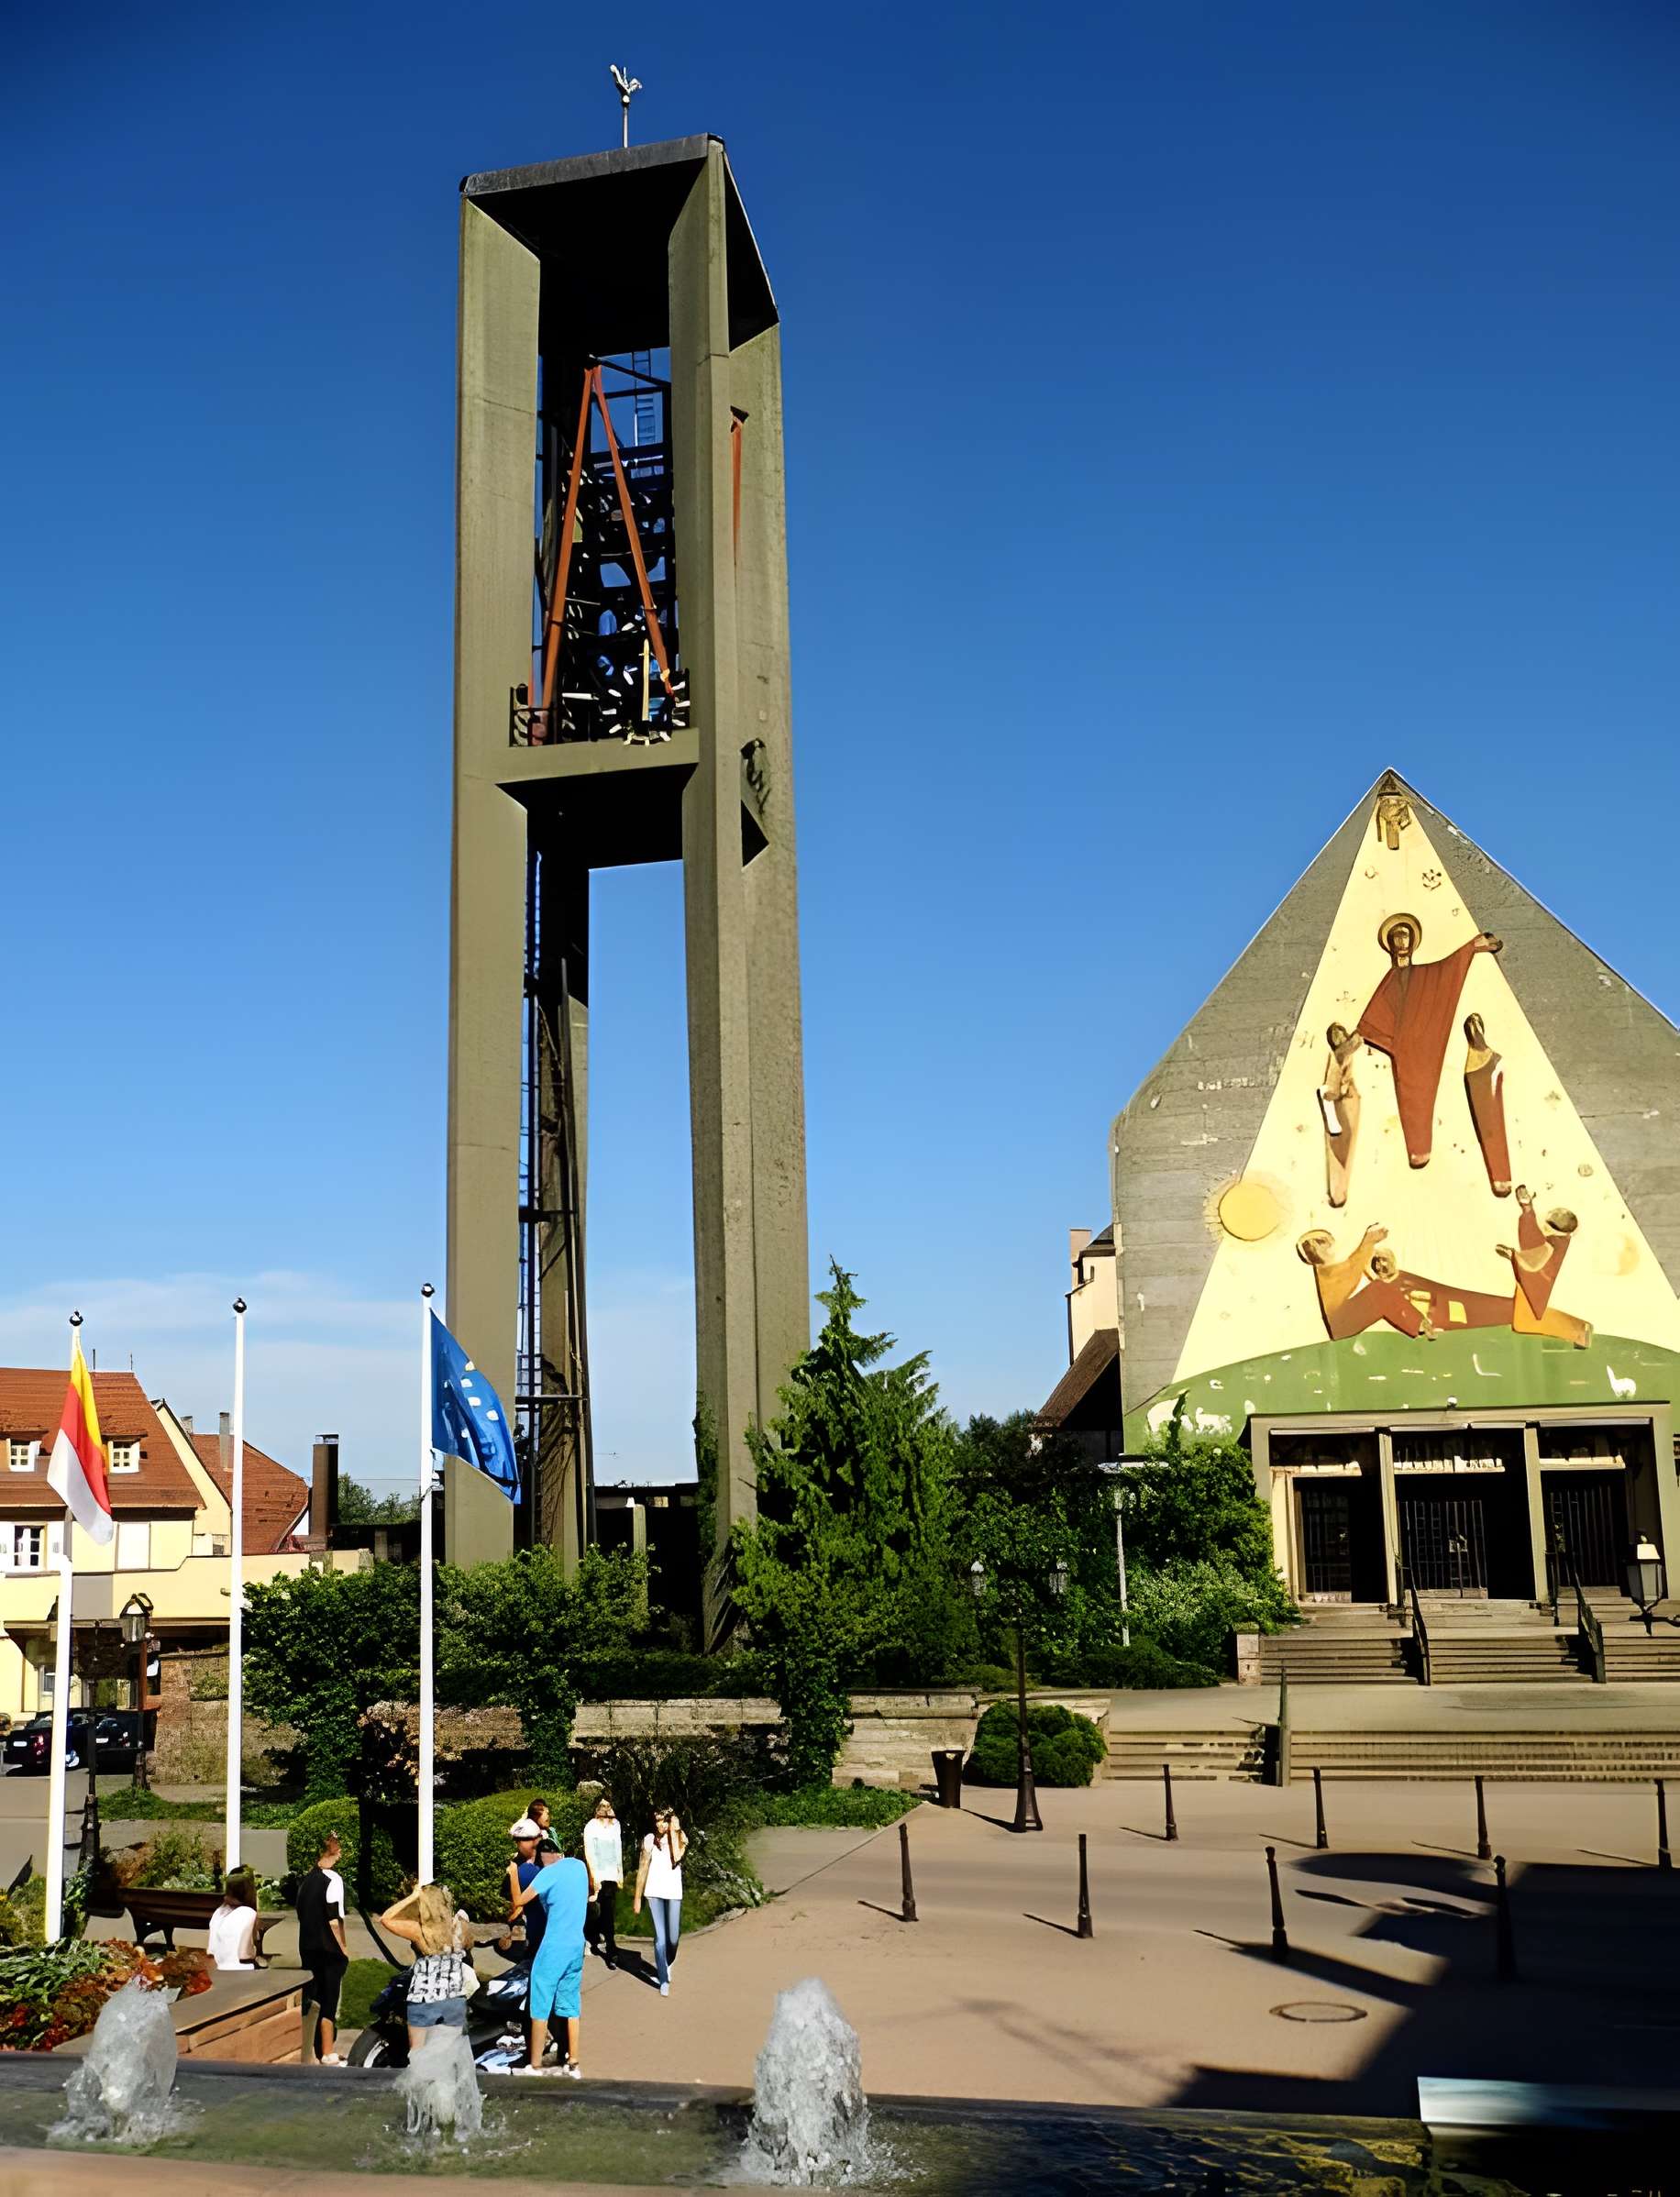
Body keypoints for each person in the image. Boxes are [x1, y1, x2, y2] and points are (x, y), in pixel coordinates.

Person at [1356, 913, 1502, 1167]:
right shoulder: (1390, 979)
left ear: (1412, 941)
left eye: (1405, 935)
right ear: (1390, 943)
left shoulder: (1426, 974)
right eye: (1396, 936)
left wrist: (1473, 946)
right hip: (1404, 1047)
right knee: (1412, 1095)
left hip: (1426, 1042)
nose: (1401, 940)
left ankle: (1423, 1147)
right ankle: (1417, 1148)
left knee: (1424, 1091)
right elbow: (1373, 1017)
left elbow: (1447, 969)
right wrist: (1369, 1037)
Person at [511, 1836, 591, 2078]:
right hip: (576, 1946)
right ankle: (573, 2063)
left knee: (540, 2005)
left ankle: (534, 2066)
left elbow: (518, 1901)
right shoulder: (579, 1867)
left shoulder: (546, 1875)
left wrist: (513, 1873)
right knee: (570, 2005)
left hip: (553, 1947)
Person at [380, 1882, 476, 2057]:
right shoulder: (459, 1927)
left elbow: (386, 1919)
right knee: (451, 2054)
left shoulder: (419, 1931)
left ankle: (423, 2082)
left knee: (418, 2055)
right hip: (452, 1998)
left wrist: (413, 1896)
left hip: (423, 1997)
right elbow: (468, 1949)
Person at [295, 1829, 348, 2065]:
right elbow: (334, 1920)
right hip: (328, 1950)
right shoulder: (333, 1880)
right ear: (332, 1850)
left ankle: (311, 2050)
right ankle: (327, 2052)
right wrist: (343, 1949)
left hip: (307, 1946)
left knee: (313, 1999)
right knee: (329, 2000)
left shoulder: (306, 1881)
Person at [633, 1805, 687, 1997]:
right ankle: (663, 1979)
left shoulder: (679, 1837)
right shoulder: (649, 1840)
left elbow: (678, 1856)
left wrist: (673, 1826)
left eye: (663, 1819)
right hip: (654, 1891)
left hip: (673, 1891)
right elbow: (643, 1869)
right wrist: (637, 1898)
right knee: (661, 1939)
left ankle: (668, 1962)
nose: (660, 1824)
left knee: (673, 1938)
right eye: (657, 1820)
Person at [582, 1797, 623, 1969]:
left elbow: (617, 1848)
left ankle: (611, 1946)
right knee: (596, 1911)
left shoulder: (616, 1825)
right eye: (603, 1806)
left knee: (608, 1911)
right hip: (598, 1874)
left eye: (608, 1805)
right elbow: (589, 1852)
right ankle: (592, 1939)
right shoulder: (591, 1826)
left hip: (612, 1875)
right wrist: (593, 1877)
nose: (606, 1809)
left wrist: (620, 1873)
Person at [503, 1815, 547, 1963]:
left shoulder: (520, 1868)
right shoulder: (543, 1860)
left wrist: (513, 1874)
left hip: (542, 1925)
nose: (517, 1844)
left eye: (519, 1840)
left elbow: (518, 1902)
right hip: (535, 1926)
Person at [207, 1869, 261, 1971]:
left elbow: (211, 1950)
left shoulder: (219, 1912)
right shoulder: (249, 1913)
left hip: (220, 1969)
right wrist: (254, 1952)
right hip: (242, 1970)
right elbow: (244, 1955)